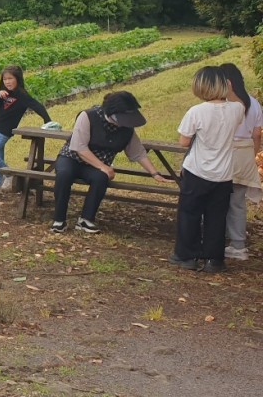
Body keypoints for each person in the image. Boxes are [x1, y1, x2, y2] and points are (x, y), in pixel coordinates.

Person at [50, 91, 172, 234]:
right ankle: (59, 220)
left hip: (96, 166)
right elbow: (80, 148)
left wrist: (155, 173)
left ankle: (86, 220)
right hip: (72, 158)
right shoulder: (88, 116)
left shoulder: (127, 128)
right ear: (112, 112)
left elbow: (137, 152)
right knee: (64, 175)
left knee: (101, 178)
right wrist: (104, 167)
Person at [170, 67, 246, 273]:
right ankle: (214, 260)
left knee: (189, 214)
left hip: (197, 171)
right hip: (223, 174)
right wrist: (230, 90)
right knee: (217, 216)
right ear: (225, 84)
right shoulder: (236, 109)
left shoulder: (196, 111)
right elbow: (240, 104)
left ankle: (186, 256)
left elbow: (184, 141)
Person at [0, 66, 53, 193]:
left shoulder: (22, 95)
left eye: (10, 78)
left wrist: (48, 120)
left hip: (6, 130)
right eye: (4, 79)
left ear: (17, 79)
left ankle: (9, 174)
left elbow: (37, 106)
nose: (7, 82)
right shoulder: (3, 92)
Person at [221, 63, 263, 260]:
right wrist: (253, 155)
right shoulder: (254, 103)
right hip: (245, 155)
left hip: (225, 154)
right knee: (237, 202)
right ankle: (238, 246)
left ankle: (218, 239)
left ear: (226, 82)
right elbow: (257, 135)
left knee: (218, 199)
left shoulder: (223, 103)